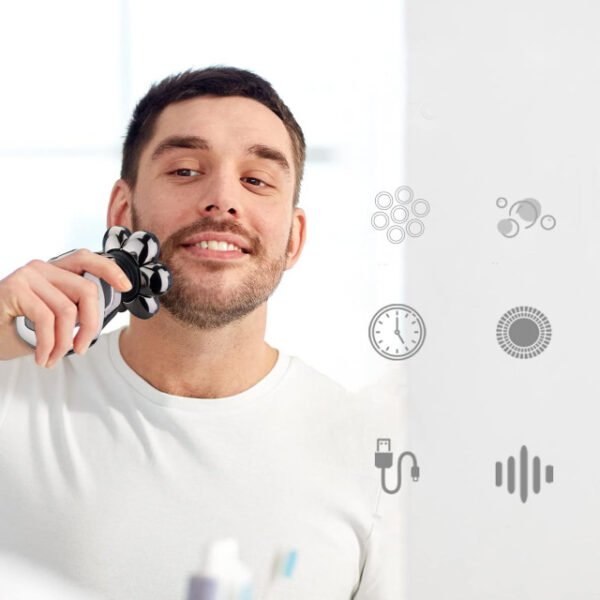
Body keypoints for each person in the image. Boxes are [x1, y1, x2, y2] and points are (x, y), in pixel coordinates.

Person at [0, 66, 403, 599]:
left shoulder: (371, 459)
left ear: (293, 238)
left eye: (256, 180)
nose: (222, 200)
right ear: (123, 210)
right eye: (186, 170)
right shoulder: (15, 394)